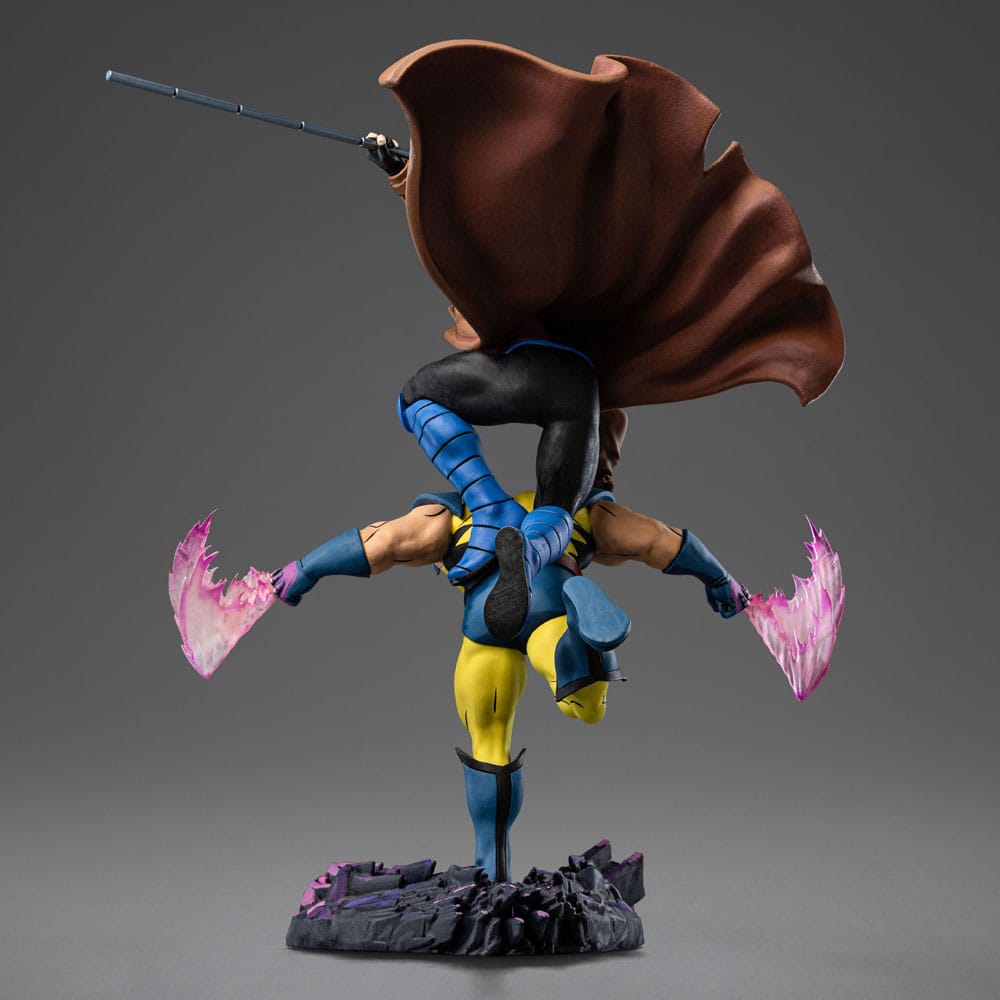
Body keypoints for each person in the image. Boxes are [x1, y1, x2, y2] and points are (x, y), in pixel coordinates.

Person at [271, 425, 748, 882]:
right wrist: (720, 580)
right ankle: (576, 644)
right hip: (549, 600)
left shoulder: (451, 516)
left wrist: (303, 570)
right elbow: (657, 540)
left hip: (482, 625)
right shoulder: (578, 512)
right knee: (587, 709)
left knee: (489, 740)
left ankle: (492, 868)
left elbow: (382, 542)